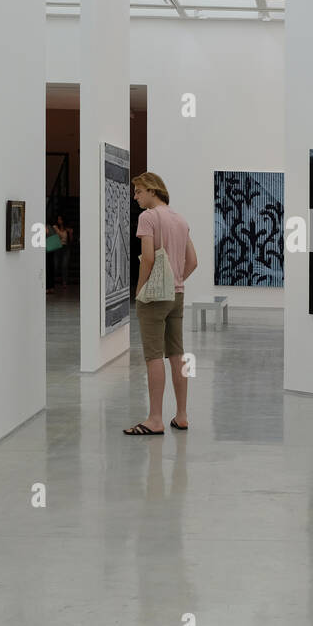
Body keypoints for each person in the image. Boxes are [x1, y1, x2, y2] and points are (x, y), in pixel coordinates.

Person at [125, 172, 197, 436]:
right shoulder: (180, 219)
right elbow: (193, 261)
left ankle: (155, 419)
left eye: (138, 191)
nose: (136, 197)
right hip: (176, 295)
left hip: (154, 298)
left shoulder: (148, 217)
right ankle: (182, 415)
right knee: (177, 355)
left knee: (153, 356)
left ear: (152, 191)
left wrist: (141, 289)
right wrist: (176, 280)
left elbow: (147, 258)